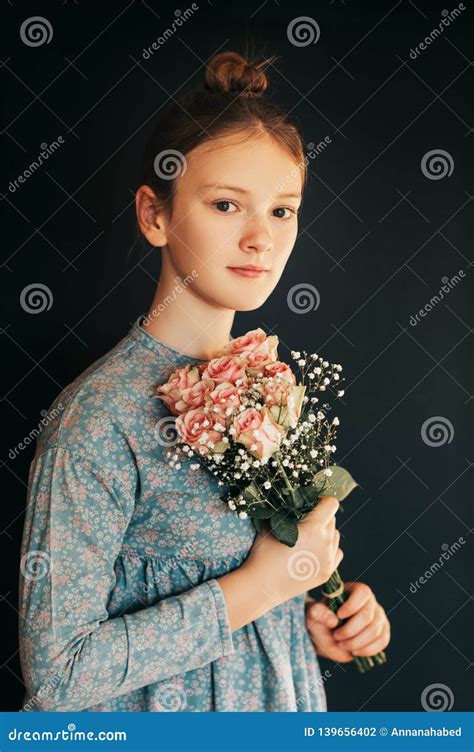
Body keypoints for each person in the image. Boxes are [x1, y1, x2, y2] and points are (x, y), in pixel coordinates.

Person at [18, 50, 390, 713]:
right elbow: (58, 677)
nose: (260, 238)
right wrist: (262, 588)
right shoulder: (97, 419)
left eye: (282, 210)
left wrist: (325, 610)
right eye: (225, 205)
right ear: (154, 215)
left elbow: (271, 578)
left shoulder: (269, 384)